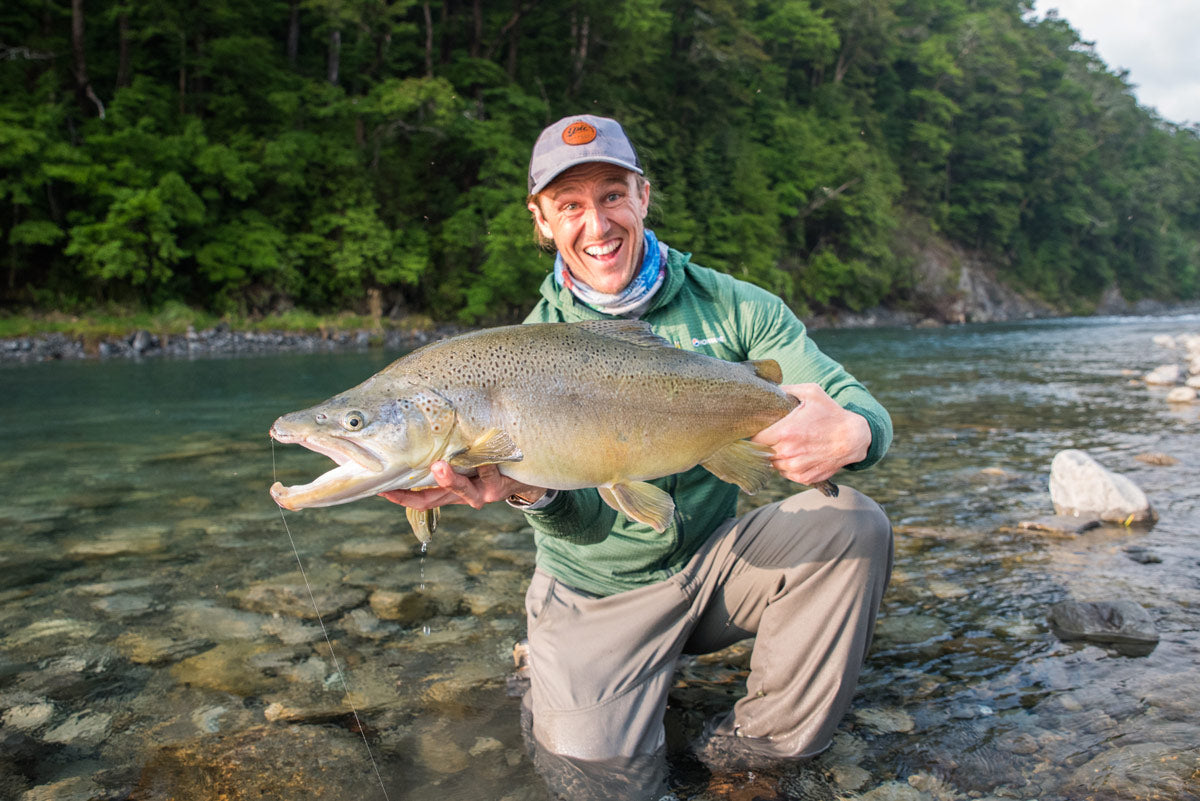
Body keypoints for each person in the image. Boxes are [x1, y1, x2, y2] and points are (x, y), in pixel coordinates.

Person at [381, 115, 893, 794]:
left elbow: (859, 406)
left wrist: (852, 433)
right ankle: (559, 664)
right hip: (597, 593)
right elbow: (586, 530)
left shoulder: (737, 309)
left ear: (643, 196)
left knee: (853, 524)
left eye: (612, 196)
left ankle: (758, 755)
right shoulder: (522, 354)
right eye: (570, 206)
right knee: (600, 779)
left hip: (717, 569)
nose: (597, 225)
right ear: (540, 219)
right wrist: (528, 491)